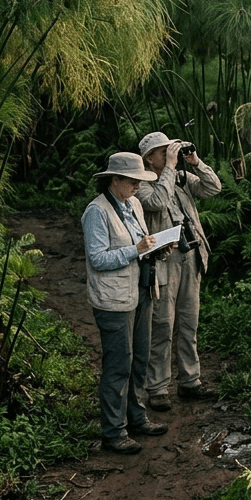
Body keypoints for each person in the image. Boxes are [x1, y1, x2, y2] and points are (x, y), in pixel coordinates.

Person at [82, 152, 170, 455]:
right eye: (133, 181)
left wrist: (156, 248)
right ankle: (114, 431)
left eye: (139, 180)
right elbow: (97, 258)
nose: (137, 186)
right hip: (114, 299)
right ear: (114, 180)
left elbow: (141, 242)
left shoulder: (133, 204)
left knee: (140, 358)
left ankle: (135, 416)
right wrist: (136, 250)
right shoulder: (97, 211)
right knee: (119, 363)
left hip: (141, 289)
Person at [136, 133, 222, 413]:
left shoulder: (181, 178)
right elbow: (158, 203)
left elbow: (213, 188)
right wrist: (171, 169)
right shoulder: (142, 184)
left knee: (189, 322)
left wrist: (195, 162)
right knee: (162, 325)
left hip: (191, 255)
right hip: (163, 260)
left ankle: (190, 380)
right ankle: (158, 387)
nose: (169, 155)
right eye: (164, 152)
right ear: (149, 158)